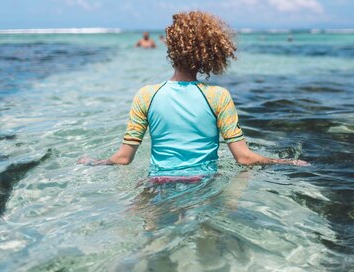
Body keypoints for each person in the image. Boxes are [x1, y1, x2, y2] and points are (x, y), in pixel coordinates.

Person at [81, 11, 307, 181]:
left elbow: (123, 158)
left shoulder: (146, 95)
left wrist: (94, 162)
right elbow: (244, 158)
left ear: (171, 47)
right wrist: (285, 161)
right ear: (212, 53)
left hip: (158, 183)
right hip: (204, 184)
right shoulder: (218, 97)